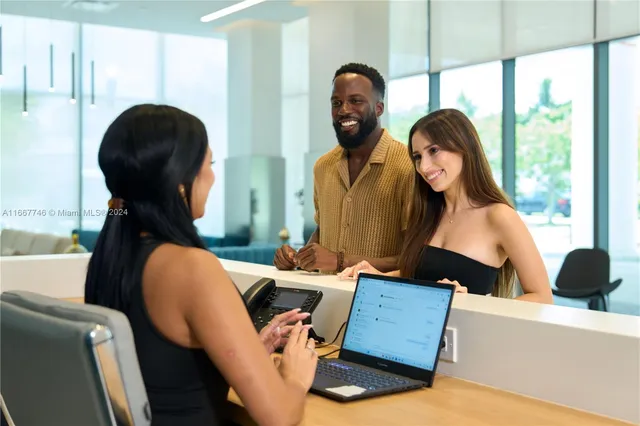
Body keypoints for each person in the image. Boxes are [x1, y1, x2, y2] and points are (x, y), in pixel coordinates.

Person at [84, 104, 318, 426]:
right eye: (209, 164)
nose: (212, 176)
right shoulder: (192, 267)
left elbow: (161, 366)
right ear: (181, 180)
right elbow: (279, 417)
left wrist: (247, 351)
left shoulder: (111, 258)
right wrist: (294, 378)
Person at [338, 109, 554, 304]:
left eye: (433, 150)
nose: (424, 166)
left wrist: (473, 304)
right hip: (416, 338)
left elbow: (542, 297)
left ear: (464, 147)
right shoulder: (425, 211)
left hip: (470, 340)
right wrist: (377, 276)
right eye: (417, 156)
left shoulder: (499, 216)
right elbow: (418, 276)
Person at [274, 63, 414, 274]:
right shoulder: (323, 166)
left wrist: (340, 261)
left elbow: (414, 258)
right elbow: (324, 232)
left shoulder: (408, 165)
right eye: (336, 102)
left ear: (379, 108)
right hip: (325, 300)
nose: (344, 110)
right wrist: (299, 257)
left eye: (356, 101)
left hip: (380, 302)